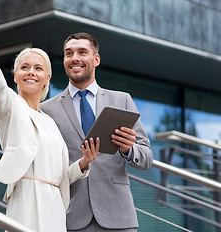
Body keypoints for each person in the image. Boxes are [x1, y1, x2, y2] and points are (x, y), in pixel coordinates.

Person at [0, 19, 100, 232]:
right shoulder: (10, 105)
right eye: (24, 67)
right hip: (26, 199)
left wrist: (83, 163)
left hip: (54, 205)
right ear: (15, 76)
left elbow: (61, 176)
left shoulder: (50, 122)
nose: (31, 72)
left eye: (38, 68)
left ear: (47, 78)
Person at [40, 32, 153, 232]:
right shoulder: (47, 110)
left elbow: (146, 159)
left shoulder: (122, 101)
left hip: (118, 217)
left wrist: (129, 149)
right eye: (69, 53)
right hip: (71, 219)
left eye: (82, 52)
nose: (74, 58)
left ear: (96, 59)